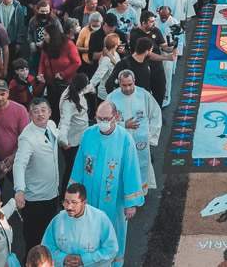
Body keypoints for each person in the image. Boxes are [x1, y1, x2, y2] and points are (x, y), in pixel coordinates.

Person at [69, 101, 144, 266]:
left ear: (115, 117)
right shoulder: (88, 135)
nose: (102, 122)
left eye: (106, 119)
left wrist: (131, 203)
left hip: (114, 201)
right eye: (99, 118)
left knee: (114, 232)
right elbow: (79, 165)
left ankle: (114, 263)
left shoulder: (125, 139)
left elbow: (131, 171)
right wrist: (72, 195)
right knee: (89, 230)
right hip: (90, 197)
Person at [12, 97, 60, 256]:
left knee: (50, 238)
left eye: (43, 110)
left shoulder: (51, 125)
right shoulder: (27, 137)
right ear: (30, 114)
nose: (40, 114)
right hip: (35, 200)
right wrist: (19, 190)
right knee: (34, 241)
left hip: (52, 194)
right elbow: (19, 164)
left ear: (50, 112)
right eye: (35, 111)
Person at [105, 70, 162, 192]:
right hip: (120, 141)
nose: (127, 88)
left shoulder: (144, 95)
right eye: (124, 85)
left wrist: (151, 137)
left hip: (141, 142)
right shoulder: (112, 98)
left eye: (130, 84)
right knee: (122, 167)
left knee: (141, 165)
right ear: (119, 83)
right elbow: (104, 121)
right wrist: (123, 124)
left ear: (134, 81)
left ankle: (141, 192)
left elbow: (156, 114)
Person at [41, 183, 119, 267]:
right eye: (66, 202)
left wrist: (85, 260)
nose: (69, 207)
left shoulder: (100, 219)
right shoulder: (58, 220)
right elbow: (46, 247)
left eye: (74, 202)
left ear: (84, 202)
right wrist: (63, 258)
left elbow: (111, 249)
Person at [38, 23, 82, 117]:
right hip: (51, 84)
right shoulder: (45, 45)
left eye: (46, 34)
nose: (44, 37)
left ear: (52, 35)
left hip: (65, 84)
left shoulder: (68, 44)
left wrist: (63, 74)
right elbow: (42, 62)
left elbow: (77, 62)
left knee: (64, 109)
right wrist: (40, 74)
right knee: (53, 109)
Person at [57, 74, 91, 191]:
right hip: (71, 142)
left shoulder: (75, 90)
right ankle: (65, 194)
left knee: (76, 166)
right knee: (71, 169)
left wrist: (91, 88)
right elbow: (64, 123)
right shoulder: (68, 102)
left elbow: (86, 89)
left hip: (79, 137)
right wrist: (63, 141)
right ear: (81, 87)